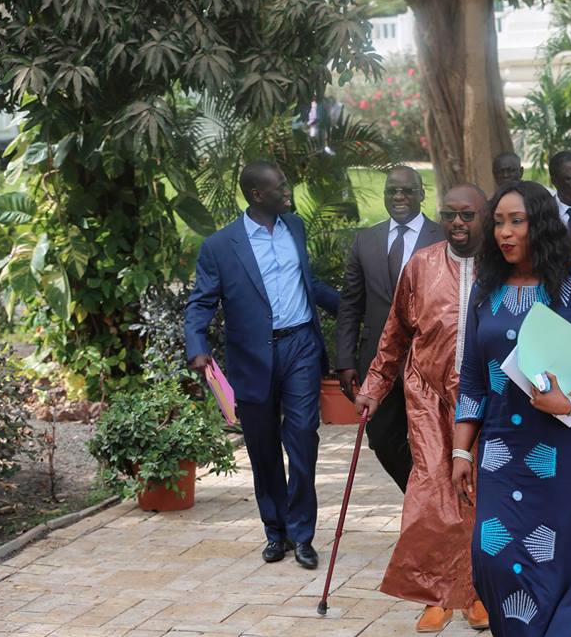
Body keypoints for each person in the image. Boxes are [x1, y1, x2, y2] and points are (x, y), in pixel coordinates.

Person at [451, 180, 571, 635]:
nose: (504, 233)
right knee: (492, 562)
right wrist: (460, 451)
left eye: (517, 221)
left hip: (568, 457)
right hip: (501, 455)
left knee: (558, 569)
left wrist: (570, 400)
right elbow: (474, 378)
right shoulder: (485, 293)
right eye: (498, 223)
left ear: (542, 226)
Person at [184, 161, 339, 567]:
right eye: (281, 186)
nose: (288, 191)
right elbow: (201, 302)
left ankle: (303, 534)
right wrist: (197, 346)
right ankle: (277, 531)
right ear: (258, 194)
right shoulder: (220, 246)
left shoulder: (295, 228)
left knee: (303, 435)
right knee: (263, 447)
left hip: (301, 345)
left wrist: (355, 309)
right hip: (252, 357)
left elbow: (311, 284)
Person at [354, 184, 490, 633]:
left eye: (467, 215)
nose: (457, 223)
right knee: (432, 493)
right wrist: (375, 385)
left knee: (478, 496)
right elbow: (395, 332)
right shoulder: (421, 265)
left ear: (483, 216)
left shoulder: (504, 267)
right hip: (429, 396)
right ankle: (437, 594)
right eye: (450, 214)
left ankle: (476, 592)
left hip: (487, 399)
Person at [335, 166, 443, 492]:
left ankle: (428, 508)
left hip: (429, 361)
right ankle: (422, 499)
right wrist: (345, 360)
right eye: (391, 190)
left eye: (407, 190)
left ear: (421, 193)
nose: (399, 197)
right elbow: (351, 305)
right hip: (379, 362)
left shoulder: (442, 239)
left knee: (433, 442)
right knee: (381, 439)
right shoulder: (366, 241)